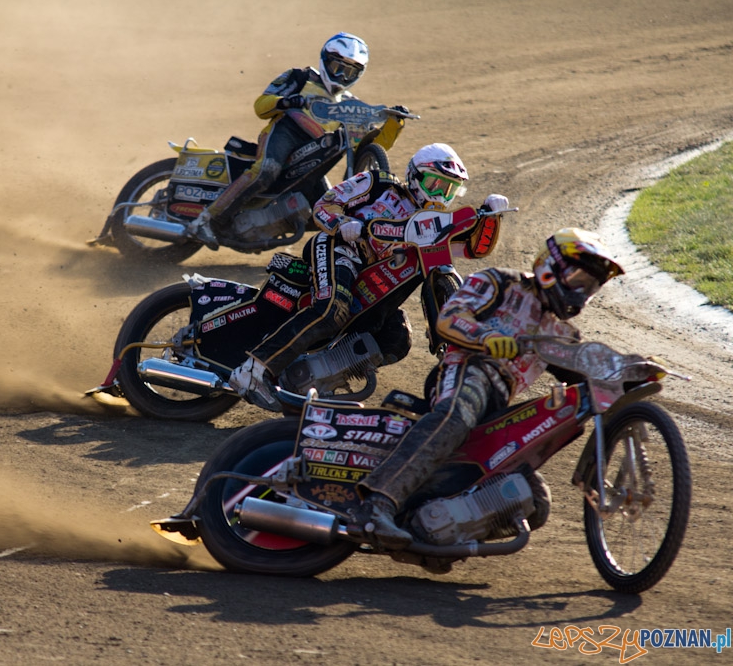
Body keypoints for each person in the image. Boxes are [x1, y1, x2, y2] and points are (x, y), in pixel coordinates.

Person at [355, 227, 625, 550]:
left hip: (499, 406)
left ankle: (430, 533)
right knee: (458, 414)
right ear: (550, 265)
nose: (581, 292)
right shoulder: (501, 282)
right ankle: (377, 504)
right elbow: (449, 317)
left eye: (589, 286)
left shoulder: (561, 334)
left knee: (536, 501)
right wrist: (487, 338)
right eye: (577, 279)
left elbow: (590, 373)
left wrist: (629, 372)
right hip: (466, 371)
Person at [228, 142, 511, 411]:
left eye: (450, 190)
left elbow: (473, 249)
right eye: (434, 183)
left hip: (370, 281)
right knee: (331, 310)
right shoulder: (378, 183)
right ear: (414, 175)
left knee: (396, 337)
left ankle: (310, 379)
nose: (440, 194)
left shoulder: (434, 225)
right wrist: (345, 224)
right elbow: (324, 206)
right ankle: (253, 371)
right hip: (338, 247)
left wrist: (491, 217)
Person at [186, 32, 375, 249]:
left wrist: (393, 124)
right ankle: (206, 220)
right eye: (337, 67)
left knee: (325, 209)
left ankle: (264, 230)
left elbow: (368, 146)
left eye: (349, 71)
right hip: (286, 131)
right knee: (267, 170)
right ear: (325, 60)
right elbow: (261, 105)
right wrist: (286, 101)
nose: (341, 76)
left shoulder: (350, 104)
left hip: (315, 154)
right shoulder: (300, 77)